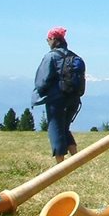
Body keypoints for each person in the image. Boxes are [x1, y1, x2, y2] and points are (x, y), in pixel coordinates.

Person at [31, 27, 83, 163]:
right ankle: (76, 160)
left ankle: (60, 165)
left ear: (53, 39)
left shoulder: (51, 57)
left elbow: (41, 81)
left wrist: (38, 96)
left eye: (48, 39)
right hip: (74, 99)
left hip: (57, 100)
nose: (47, 42)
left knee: (55, 129)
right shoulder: (75, 56)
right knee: (65, 128)